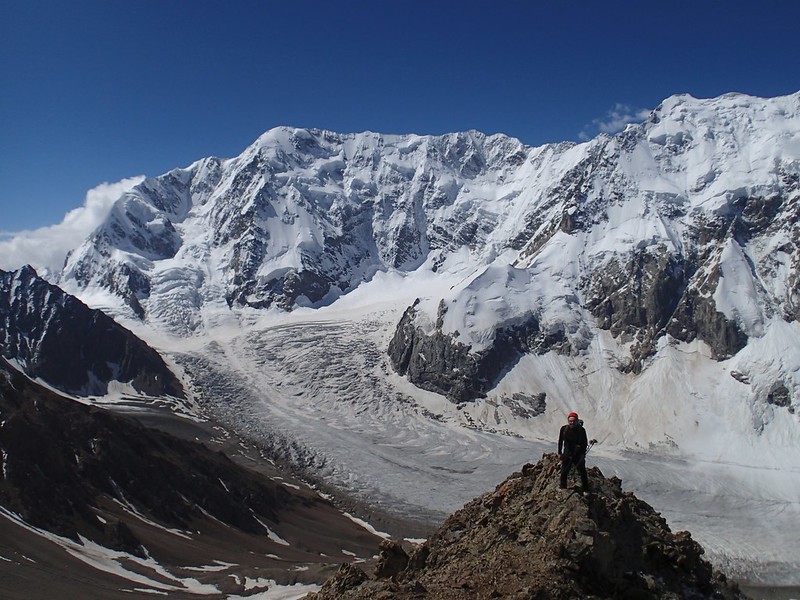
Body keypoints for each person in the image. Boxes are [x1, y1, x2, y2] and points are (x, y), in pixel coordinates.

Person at [558, 411, 590, 491]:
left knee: (582, 472)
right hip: (567, 453)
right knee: (564, 471)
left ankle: (586, 489)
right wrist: (559, 452)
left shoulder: (581, 430)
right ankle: (563, 487)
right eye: (570, 421)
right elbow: (560, 441)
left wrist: (583, 453)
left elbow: (584, 442)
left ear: (576, 421)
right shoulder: (564, 429)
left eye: (573, 421)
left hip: (578, 454)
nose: (572, 423)